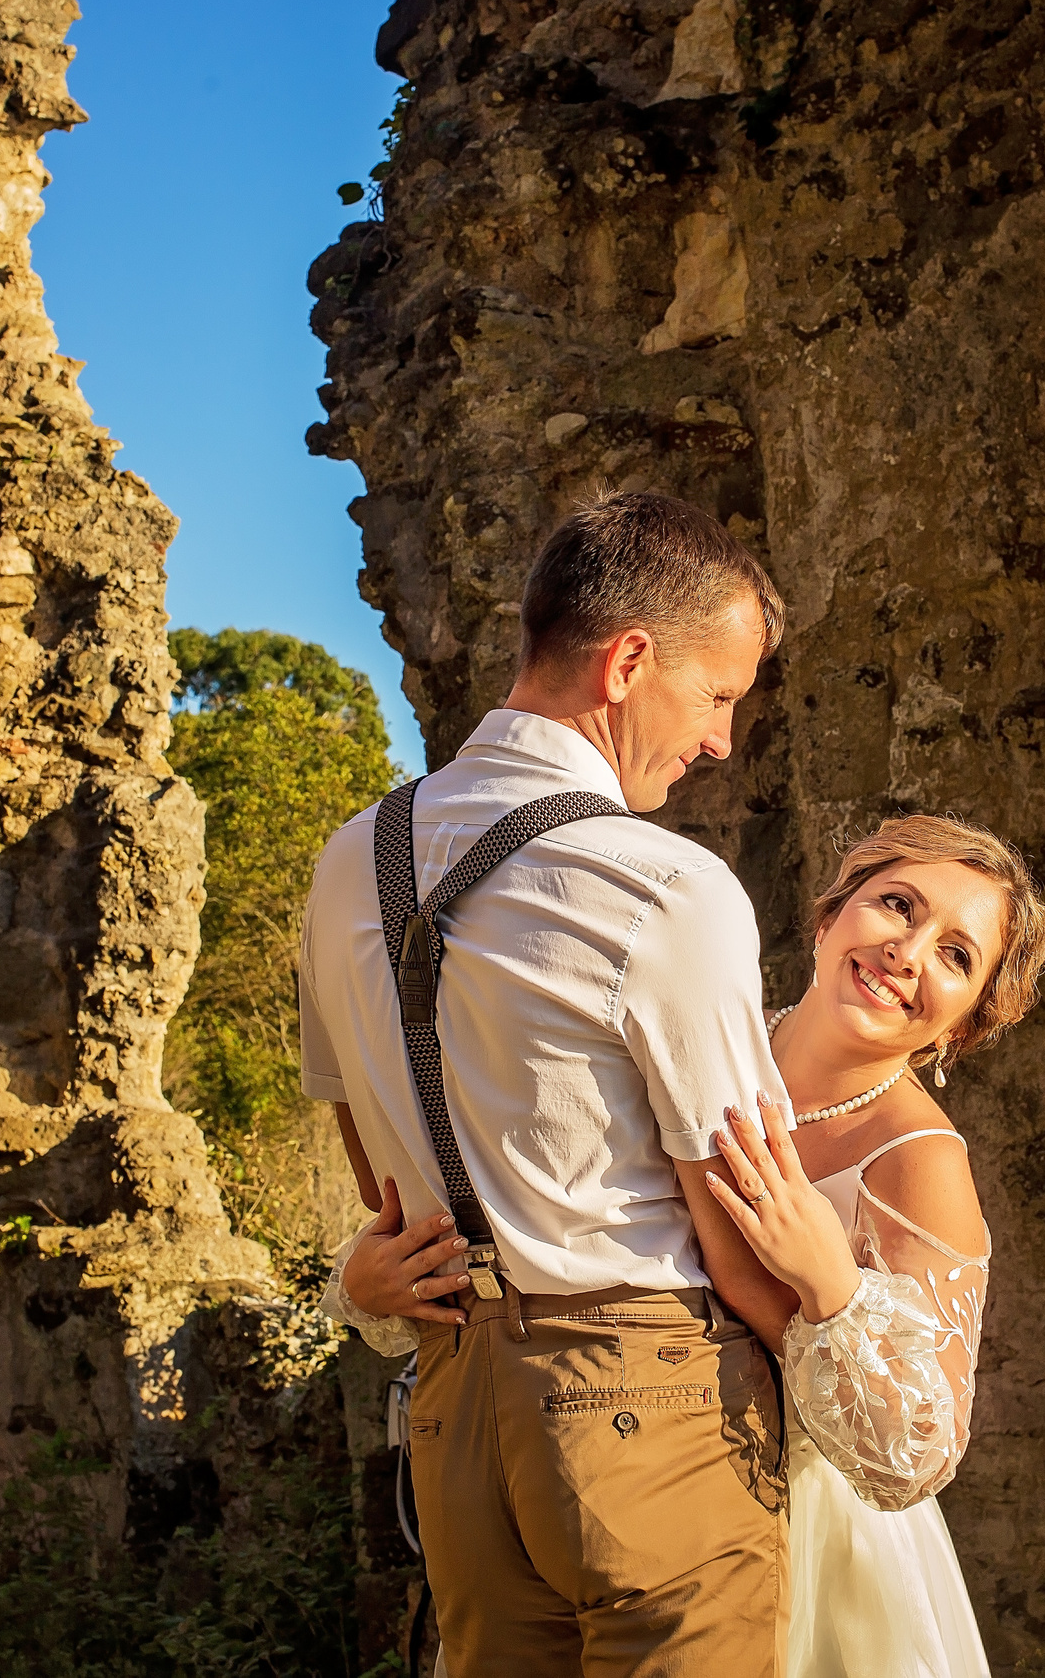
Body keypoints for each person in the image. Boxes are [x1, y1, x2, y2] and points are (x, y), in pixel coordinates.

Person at [302, 492, 804, 1675]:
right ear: (630, 661)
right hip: (647, 1399)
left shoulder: (346, 861)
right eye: (718, 694)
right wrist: (838, 1383)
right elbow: (731, 1215)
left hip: (455, 1402)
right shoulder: (662, 885)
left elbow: (370, 1166)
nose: (721, 739)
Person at [704, 815, 1045, 1678]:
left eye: (956, 954)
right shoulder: (715, 1037)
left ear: (960, 1030)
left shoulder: (920, 1160)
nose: (908, 950)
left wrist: (831, 1285)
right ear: (830, 917)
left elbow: (919, 1455)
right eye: (898, 904)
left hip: (816, 1549)